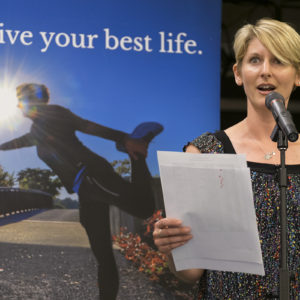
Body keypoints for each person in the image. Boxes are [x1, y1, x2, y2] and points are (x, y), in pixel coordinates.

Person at [153, 18, 300, 299]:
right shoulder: (206, 152)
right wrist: (173, 247)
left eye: (279, 61)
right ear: (238, 73)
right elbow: (190, 274)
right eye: (255, 60)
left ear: (297, 75)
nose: (266, 71)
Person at [0, 83, 163, 300]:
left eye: (21, 100)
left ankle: (137, 150)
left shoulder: (55, 113)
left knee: (143, 208)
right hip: (85, 189)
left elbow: (87, 126)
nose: (19, 106)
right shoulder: (37, 130)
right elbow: (20, 142)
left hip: (93, 175)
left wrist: (124, 138)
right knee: (103, 254)